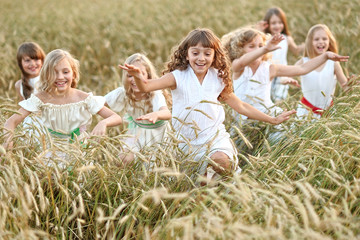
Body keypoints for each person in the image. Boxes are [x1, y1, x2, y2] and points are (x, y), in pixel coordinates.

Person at [119, 28, 296, 179]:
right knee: (193, 181)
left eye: (207, 53)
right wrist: (136, 76)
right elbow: (146, 86)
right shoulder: (177, 77)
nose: (201, 58)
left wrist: (272, 119)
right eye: (195, 53)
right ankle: (202, 195)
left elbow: (241, 106)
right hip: (186, 144)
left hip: (215, 138)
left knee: (221, 160)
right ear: (186, 55)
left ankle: (202, 192)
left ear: (214, 55)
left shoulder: (217, 78)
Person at [3, 49, 122, 151]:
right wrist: (7, 141)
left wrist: (103, 123)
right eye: (54, 72)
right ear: (46, 75)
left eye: (65, 72)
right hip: (51, 153)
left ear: (74, 74)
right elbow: (11, 121)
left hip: (79, 151)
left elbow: (116, 118)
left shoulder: (84, 98)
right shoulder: (40, 99)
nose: (60, 77)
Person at [222, 27, 348, 121]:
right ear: (240, 49)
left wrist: (325, 56)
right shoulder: (239, 67)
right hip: (241, 120)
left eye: (260, 45)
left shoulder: (270, 68)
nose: (257, 50)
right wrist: (265, 49)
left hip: (267, 115)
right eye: (251, 46)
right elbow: (244, 60)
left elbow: (302, 69)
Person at [105, 53, 171, 165]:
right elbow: (99, 102)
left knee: (154, 168)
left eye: (139, 74)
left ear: (148, 76)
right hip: (137, 132)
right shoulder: (124, 93)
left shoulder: (155, 94)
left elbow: (167, 113)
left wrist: (156, 114)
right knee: (123, 159)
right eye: (130, 75)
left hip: (157, 136)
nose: (134, 79)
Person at [295, 24, 349, 118]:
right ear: (310, 42)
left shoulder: (333, 63)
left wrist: (354, 87)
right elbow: (287, 73)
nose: (321, 42)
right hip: (305, 113)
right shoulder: (303, 62)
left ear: (329, 42)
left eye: (324, 39)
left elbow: (345, 85)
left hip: (328, 113)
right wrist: (285, 80)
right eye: (316, 39)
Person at [257, 7, 304, 102]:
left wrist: (306, 44)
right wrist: (259, 31)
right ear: (267, 24)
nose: (277, 26)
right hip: (267, 73)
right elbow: (258, 49)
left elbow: (295, 50)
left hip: (282, 74)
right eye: (274, 23)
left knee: (280, 101)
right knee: (266, 100)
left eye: (280, 22)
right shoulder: (265, 38)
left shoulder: (286, 38)